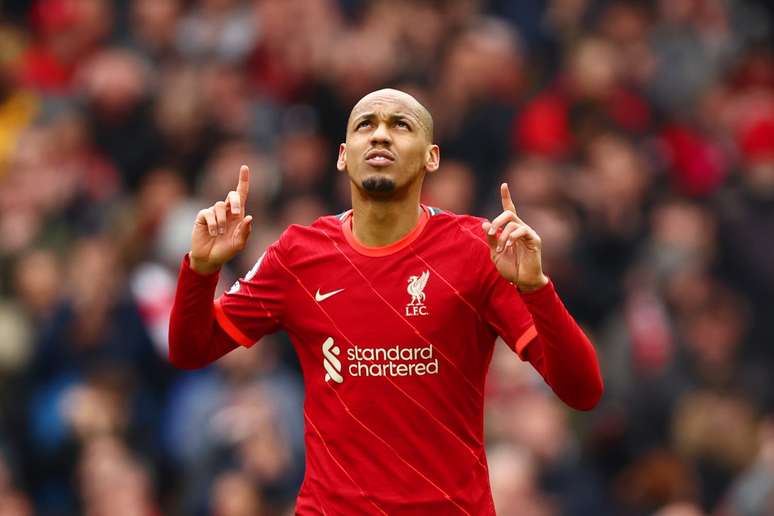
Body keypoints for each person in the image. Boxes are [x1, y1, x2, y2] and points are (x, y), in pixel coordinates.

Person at [169, 88, 603, 514]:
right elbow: (191, 351)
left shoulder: (478, 251)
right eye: (365, 125)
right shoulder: (298, 255)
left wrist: (536, 288)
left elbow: (583, 391)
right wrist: (201, 271)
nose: (380, 135)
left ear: (431, 156)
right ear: (343, 155)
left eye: (400, 125)